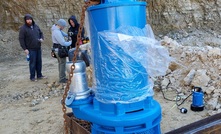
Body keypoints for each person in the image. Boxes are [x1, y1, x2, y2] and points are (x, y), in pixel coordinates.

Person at [19, 14, 46, 82]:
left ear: (32, 19)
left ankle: (39, 75)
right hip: (31, 49)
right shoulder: (23, 28)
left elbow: (41, 33)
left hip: (38, 47)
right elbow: (21, 39)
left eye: (30, 19)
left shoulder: (36, 26)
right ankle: (32, 77)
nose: (29, 21)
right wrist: (25, 49)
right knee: (32, 63)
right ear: (25, 20)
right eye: (27, 19)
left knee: (39, 62)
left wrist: (41, 38)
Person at [51, 19, 72, 83]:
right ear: (61, 25)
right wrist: (70, 43)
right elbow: (62, 43)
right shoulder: (57, 32)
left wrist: (67, 35)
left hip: (56, 49)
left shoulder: (56, 29)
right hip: (59, 50)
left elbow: (63, 34)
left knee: (60, 63)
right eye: (64, 26)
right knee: (62, 63)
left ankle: (61, 76)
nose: (64, 28)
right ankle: (62, 78)